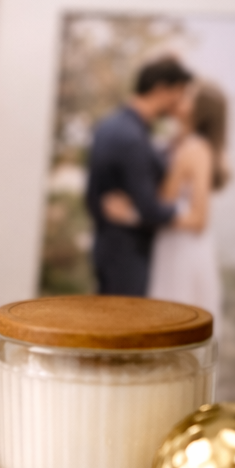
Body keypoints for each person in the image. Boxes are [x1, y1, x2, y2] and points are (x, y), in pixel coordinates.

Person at [103, 81, 230, 321]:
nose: (179, 98)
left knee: (175, 321)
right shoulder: (172, 142)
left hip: (183, 250)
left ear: (199, 109)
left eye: (187, 96)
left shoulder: (196, 149)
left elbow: (198, 219)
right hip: (169, 244)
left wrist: (132, 215)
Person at [84, 55, 192, 296]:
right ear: (161, 89)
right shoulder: (132, 137)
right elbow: (149, 209)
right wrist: (187, 211)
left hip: (108, 247)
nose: (180, 101)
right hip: (129, 256)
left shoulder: (109, 126)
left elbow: (92, 197)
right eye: (179, 92)